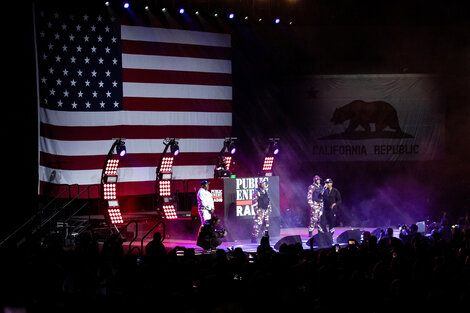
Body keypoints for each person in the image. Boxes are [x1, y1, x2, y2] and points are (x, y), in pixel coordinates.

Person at [251, 178, 272, 243]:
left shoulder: (265, 191)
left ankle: (265, 237)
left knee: (266, 225)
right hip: (260, 210)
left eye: (264, 183)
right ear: (259, 184)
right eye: (263, 183)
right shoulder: (256, 192)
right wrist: (257, 212)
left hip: (266, 210)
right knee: (257, 225)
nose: (264, 184)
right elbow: (254, 203)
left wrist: (269, 209)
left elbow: (268, 200)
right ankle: (254, 238)